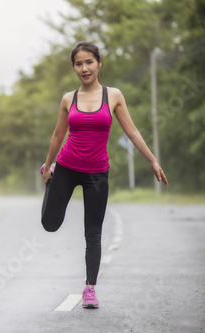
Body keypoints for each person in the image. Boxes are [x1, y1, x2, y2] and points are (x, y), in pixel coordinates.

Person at [40, 41, 168, 309]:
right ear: (74, 67)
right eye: (78, 63)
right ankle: (51, 180)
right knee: (50, 224)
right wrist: (48, 165)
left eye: (89, 62)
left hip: (97, 173)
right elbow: (57, 135)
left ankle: (90, 288)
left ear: (99, 64)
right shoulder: (68, 99)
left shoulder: (114, 96)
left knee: (93, 233)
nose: (84, 68)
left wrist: (153, 161)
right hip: (65, 167)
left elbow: (132, 132)